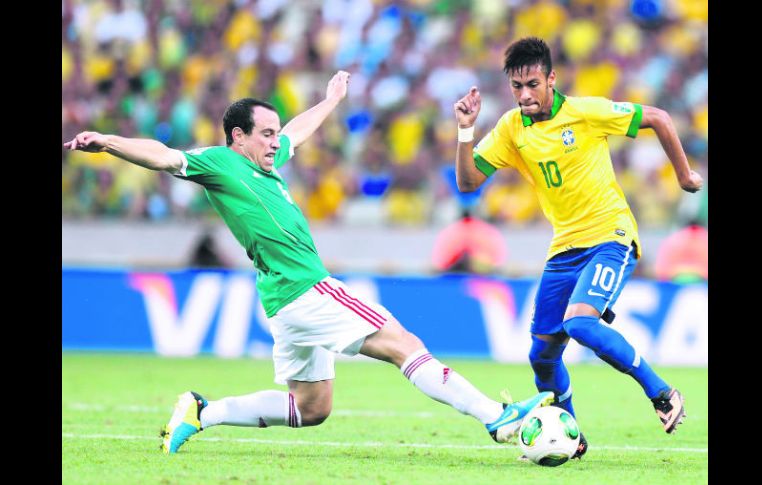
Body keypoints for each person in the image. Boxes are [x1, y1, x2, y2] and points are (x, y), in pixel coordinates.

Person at [64, 70, 553, 455]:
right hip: (308, 289)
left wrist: (331, 102)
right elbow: (164, 156)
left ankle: (200, 412)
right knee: (406, 345)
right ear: (238, 137)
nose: (276, 142)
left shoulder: (267, 165)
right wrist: (108, 142)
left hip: (282, 302)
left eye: (276, 134)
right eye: (266, 134)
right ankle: (497, 417)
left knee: (310, 409)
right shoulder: (221, 162)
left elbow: (299, 131)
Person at [453, 38, 703, 459]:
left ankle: (662, 393)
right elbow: (467, 183)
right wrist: (464, 130)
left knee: (581, 325)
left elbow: (658, 118)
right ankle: (574, 438)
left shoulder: (586, 113)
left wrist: (683, 177)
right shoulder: (512, 128)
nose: (525, 95)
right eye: (516, 87)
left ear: (551, 79)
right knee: (542, 357)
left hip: (611, 236)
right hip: (564, 248)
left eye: (533, 83)